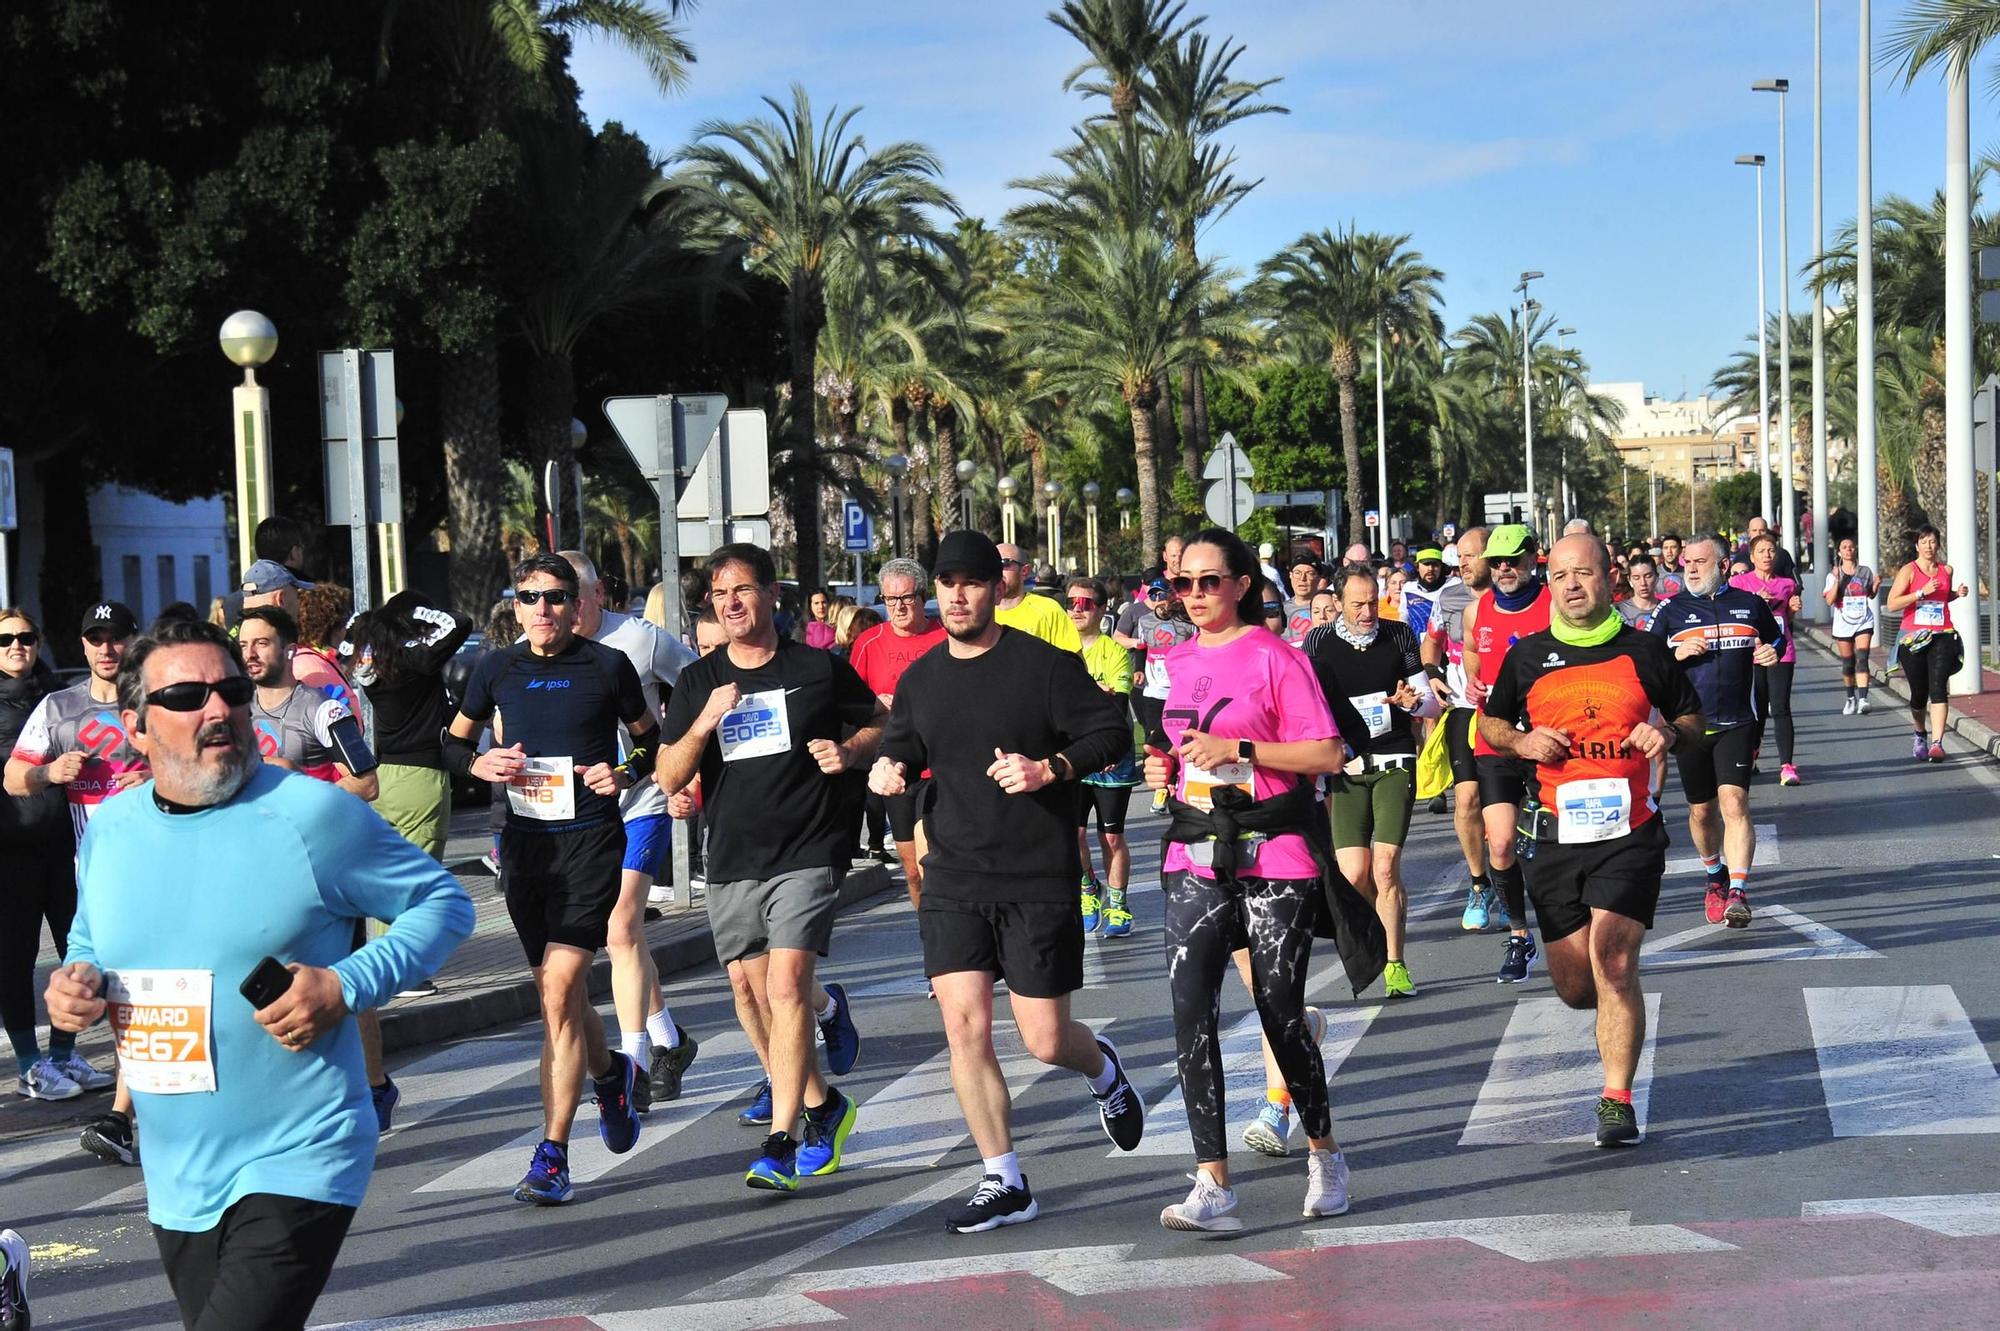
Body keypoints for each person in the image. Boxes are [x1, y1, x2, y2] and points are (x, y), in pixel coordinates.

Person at [44, 616, 472, 1330]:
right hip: (178, 1167)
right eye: (186, 696)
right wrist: (76, 976)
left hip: (299, 1149)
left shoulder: (310, 813)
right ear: (135, 726)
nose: (217, 710)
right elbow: (93, 934)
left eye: (232, 690)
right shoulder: (111, 829)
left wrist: (344, 984)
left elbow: (443, 902)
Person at [869, 531, 1142, 1233]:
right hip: (954, 872)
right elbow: (904, 744)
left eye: (970, 581)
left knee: (1045, 1039)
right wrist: (888, 769)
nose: (957, 593)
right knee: (964, 1027)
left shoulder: (1044, 666)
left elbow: (1112, 732)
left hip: (1036, 873)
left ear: (996, 587)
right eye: (946, 581)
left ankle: (1103, 1070)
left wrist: (1048, 767)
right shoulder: (923, 678)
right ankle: (1005, 1178)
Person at [1144, 528, 1383, 1232]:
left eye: (1208, 581)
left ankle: (1325, 1151)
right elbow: (1178, 745)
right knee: (1192, 1010)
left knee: (1279, 1011)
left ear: (1241, 584)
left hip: (1275, 853)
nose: (1193, 595)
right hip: (1194, 852)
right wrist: (1165, 769)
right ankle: (1212, 1182)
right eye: (1183, 583)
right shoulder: (1177, 659)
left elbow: (1327, 752)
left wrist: (1240, 748)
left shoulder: (1278, 658)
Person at [657, 543, 877, 1193]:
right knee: (750, 996)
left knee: (785, 988)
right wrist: (704, 721)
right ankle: (824, 1105)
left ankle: (781, 1142)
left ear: (771, 594)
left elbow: (882, 722)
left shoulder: (814, 667)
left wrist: (848, 750)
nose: (730, 602)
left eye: (742, 589)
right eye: (719, 594)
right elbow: (669, 772)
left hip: (806, 851)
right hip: (731, 857)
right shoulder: (700, 681)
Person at [1479, 535, 1703, 1148]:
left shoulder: (1645, 650)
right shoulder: (1527, 657)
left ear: (1610, 579)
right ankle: (1603, 1013)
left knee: (1615, 960)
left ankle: (1615, 1099)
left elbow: (1689, 716)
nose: (1571, 585)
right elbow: (1491, 722)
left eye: (1583, 573)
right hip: (1553, 839)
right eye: (1558, 576)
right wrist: (1521, 742)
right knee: (1578, 985)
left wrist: (1667, 738)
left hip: (1628, 835)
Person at [443, 553, 653, 1204]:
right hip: (525, 848)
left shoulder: (606, 665)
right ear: (514, 604)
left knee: (561, 992)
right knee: (556, 1000)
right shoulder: (496, 667)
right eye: (529, 597)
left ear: (577, 602)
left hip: (590, 844)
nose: (542, 610)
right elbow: (451, 744)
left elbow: (653, 740)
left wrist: (622, 773)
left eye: (556, 597)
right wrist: (482, 766)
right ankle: (611, 1072)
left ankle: (553, 1153)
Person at [557, 551, 702, 1113]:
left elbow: (697, 687)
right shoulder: (547, 652)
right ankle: (670, 1038)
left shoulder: (640, 639)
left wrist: (683, 769)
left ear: (597, 595)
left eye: (572, 597)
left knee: (620, 930)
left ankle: (635, 1062)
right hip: (580, 815)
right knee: (627, 939)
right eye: (551, 599)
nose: (561, 610)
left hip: (641, 799)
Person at [5, 602, 143, 1155]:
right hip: (90, 876)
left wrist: (158, 776)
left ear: (133, 640)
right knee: (105, 982)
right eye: (95, 638)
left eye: (114, 638)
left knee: (135, 983)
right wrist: (50, 772)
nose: (106, 648)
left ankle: (125, 1112)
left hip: (159, 868)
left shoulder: (155, 698)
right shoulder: (58, 707)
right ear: (83, 645)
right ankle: (120, 1108)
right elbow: (16, 777)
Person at [1305, 565, 1438, 1000]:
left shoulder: (1399, 635)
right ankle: (1372, 940)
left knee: (1384, 867)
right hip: (1346, 765)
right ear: (1339, 603)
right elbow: (1307, 705)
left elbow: (1431, 705)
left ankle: (1396, 963)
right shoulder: (1318, 642)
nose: (1367, 612)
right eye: (1357, 604)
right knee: (1354, 872)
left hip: (1394, 756)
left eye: (1372, 601)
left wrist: (1412, 702)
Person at [1650, 536, 1783, 927]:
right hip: (1690, 726)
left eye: (1698, 562)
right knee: (1702, 811)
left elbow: (1775, 635)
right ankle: (1714, 876)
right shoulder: (1672, 610)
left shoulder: (1748, 604)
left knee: (1734, 804)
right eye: (1687, 562)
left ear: (1723, 566)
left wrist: (1771, 650)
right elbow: (1646, 659)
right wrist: (1675, 655)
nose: (1689, 568)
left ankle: (1738, 891)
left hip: (1738, 721)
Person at [0, 607, 103, 1100]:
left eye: (26, 637)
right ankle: (28, 1064)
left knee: (74, 950)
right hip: (9, 850)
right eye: (5, 640)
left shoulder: (54, 700)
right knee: (15, 959)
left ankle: (63, 1056)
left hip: (63, 845)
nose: (17, 646)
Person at [1460, 525, 1552, 981]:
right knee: (1498, 843)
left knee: (1558, 847)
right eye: (1496, 562)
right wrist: (1472, 681)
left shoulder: (1555, 604)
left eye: (1513, 560)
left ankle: (1574, 928)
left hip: (1549, 738)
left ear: (1534, 559)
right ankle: (1519, 936)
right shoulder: (1477, 610)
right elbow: (1473, 657)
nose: (1504, 570)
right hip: (1495, 737)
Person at [847, 559, 947, 896]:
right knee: (912, 871)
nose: (899, 607)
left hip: (943, 767)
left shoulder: (946, 636)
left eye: (906, 598)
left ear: (922, 596)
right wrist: (877, 703)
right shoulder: (868, 643)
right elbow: (851, 702)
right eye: (891, 600)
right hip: (896, 767)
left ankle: (945, 934)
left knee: (933, 860)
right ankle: (929, 936)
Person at [1420, 527, 1497, 928]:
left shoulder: (1515, 597)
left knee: (1504, 808)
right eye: (1460, 557)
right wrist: (1433, 673)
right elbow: (1430, 643)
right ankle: (1479, 885)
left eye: (1471, 555)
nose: (1463, 563)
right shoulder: (1447, 597)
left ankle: (1505, 870)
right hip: (1465, 710)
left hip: (1507, 713)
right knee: (1467, 798)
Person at [1067, 575, 1139, 939]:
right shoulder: (1058, 650)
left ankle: (1118, 903)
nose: (1077, 610)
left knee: (1110, 837)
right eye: (1071, 603)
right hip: (1074, 757)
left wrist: (1106, 744)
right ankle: (1087, 889)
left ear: (1101, 608)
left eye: (1086, 604)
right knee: (1074, 833)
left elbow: (1116, 704)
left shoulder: (1115, 652)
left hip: (1112, 758)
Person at [1884, 524, 1970, 763]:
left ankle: (1937, 743)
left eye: (1932, 542)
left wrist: (1956, 593)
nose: (1928, 547)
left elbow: (1942, 596)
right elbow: (1892, 603)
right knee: (1919, 694)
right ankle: (1920, 732)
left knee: (1939, 687)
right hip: (1913, 637)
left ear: (1938, 545)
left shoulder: (1946, 570)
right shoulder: (1909, 571)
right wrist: (1920, 593)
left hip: (1942, 634)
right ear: (1917, 546)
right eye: (1924, 542)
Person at [1732, 534, 1804, 785]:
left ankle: (1787, 766)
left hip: (1781, 651)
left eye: (1771, 550)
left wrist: (1793, 609)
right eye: (1761, 551)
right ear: (1751, 557)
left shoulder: (1786, 584)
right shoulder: (1740, 584)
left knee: (1781, 707)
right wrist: (1755, 604)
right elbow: (1736, 620)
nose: (1767, 555)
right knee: (1757, 709)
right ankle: (1751, 755)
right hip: (1751, 653)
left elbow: (1788, 620)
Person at [1823, 536, 1878, 714]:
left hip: (1863, 620)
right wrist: (1838, 580)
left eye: (1851, 547)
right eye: (1844, 547)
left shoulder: (1865, 572)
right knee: (1848, 662)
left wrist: (1875, 585)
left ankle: (1863, 698)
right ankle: (1850, 698)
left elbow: (1870, 595)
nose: (1848, 550)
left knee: (1862, 657)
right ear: (1839, 552)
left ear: (1855, 550)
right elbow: (1829, 601)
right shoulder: (1833, 574)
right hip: (1843, 621)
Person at [993, 543, 1081, 651]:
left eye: (1004, 563)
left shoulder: (1048, 610)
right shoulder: (981, 613)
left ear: (1024, 571)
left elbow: (1074, 662)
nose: (996, 570)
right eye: (991, 564)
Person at [1401, 548, 1449, 639]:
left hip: (1445, 649)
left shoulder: (1454, 585)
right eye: (1426, 564)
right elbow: (1404, 619)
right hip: (1417, 648)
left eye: (1435, 564)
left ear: (1441, 567)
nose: (1430, 569)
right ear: (1417, 566)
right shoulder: (1408, 588)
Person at [1735, 516, 1797, 582]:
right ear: (1749, 533)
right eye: (1754, 530)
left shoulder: (1782, 555)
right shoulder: (1740, 557)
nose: (1758, 534)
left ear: (1767, 532)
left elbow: (1795, 585)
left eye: (1762, 530)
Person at [1283, 555, 1324, 643]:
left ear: (1319, 578)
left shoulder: (1328, 608)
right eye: (1297, 573)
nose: (1302, 578)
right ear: (1290, 575)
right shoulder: (1280, 610)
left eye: (1309, 573)